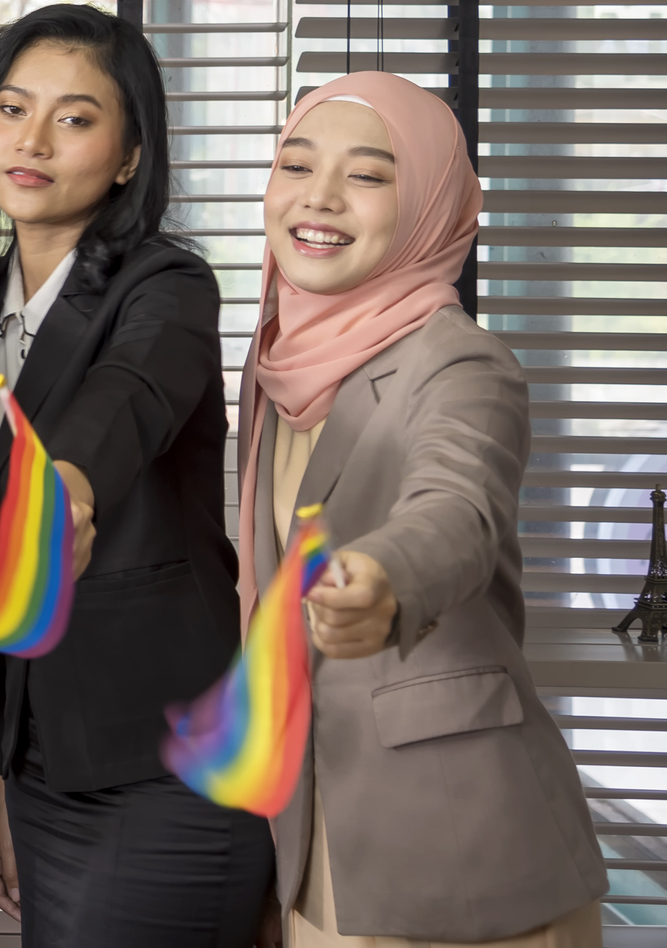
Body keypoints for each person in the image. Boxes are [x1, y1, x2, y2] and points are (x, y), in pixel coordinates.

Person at [244, 73, 606, 946]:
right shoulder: (279, 367)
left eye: (369, 176)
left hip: (463, 864)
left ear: (433, 205)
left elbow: (458, 507)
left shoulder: (460, 363)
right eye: (297, 164)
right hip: (322, 853)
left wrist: (384, 578)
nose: (318, 197)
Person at [0, 4, 272, 946]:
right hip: (53, 766)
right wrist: (6, 778)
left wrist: (70, 492)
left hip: (166, 762)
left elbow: (122, 400)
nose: (32, 139)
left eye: (76, 117)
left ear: (131, 155)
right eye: (12, 107)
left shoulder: (168, 285)